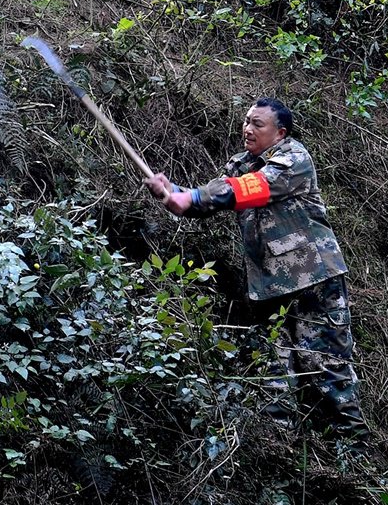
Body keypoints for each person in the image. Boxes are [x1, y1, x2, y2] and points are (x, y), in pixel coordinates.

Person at [145, 98, 369, 442]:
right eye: (246, 121)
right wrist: (172, 192)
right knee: (272, 370)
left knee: (326, 368)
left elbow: (253, 189)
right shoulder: (241, 164)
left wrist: (191, 196)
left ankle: (352, 452)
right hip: (268, 287)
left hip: (313, 280)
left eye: (258, 124)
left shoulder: (294, 158)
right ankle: (282, 449)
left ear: (280, 132)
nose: (248, 129)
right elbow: (213, 197)